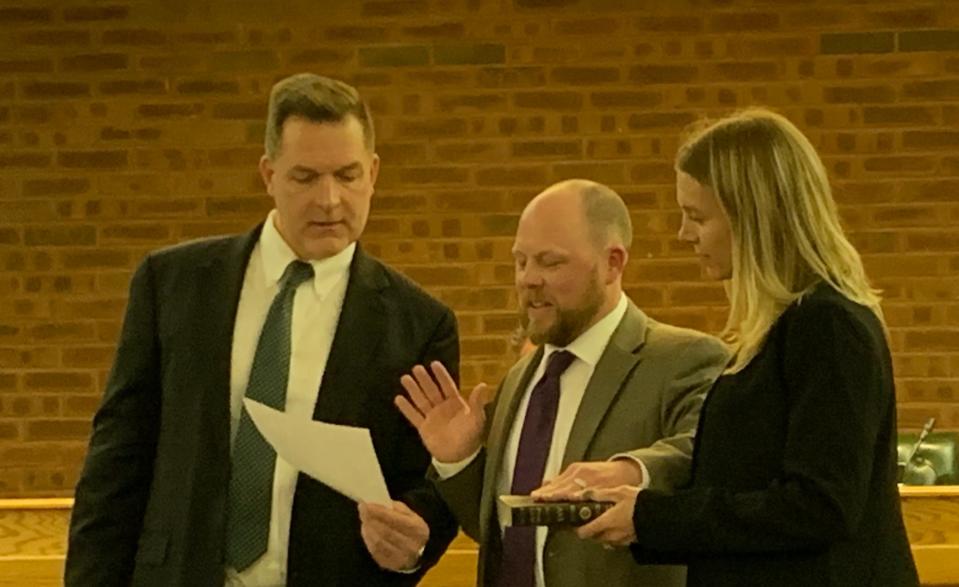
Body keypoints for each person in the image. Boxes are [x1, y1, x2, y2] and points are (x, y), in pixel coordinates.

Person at [66, 73, 458, 587]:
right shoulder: (174, 285)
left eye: (347, 175)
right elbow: (116, 463)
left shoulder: (419, 323)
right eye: (305, 177)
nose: (330, 200)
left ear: (374, 173)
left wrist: (415, 537)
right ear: (268, 173)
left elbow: (428, 484)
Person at [572, 109, 920, 586]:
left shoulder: (828, 326)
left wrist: (654, 517)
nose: (683, 233)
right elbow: (744, 474)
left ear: (753, 215)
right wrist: (636, 481)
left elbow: (819, 505)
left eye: (697, 216)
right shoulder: (779, 328)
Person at [395, 179, 729, 587]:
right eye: (521, 262)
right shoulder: (521, 379)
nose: (528, 279)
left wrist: (629, 471)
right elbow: (503, 533)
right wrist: (460, 460)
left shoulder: (682, 359)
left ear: (613, 263)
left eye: (550, 263)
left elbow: (707, 453)